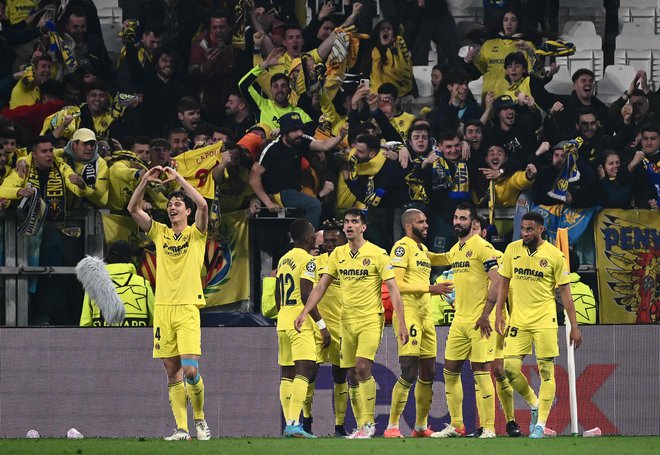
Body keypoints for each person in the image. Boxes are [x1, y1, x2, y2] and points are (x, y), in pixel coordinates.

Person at [294, 208, 409, 439]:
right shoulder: (338, 255)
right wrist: (305, 312)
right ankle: (360, 425)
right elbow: (321, 286)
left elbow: (394, 290)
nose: (349, 225)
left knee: (362, 368)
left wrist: (402, 322)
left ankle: (368, 424)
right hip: (346, 321)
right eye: (347, 221)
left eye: (354, 222)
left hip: (370, 319)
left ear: (363, 227)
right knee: (351, 375)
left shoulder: (378, 254)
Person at [127, 165, 211, 441]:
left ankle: (200, 420)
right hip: (163, 309)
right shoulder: (160, 232)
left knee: (190, 369)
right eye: (171, 203)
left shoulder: (196, 234)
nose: (173, 207)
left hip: (188, 307)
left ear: (186, 212)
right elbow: (132, 209)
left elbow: (202, 204)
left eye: (178, 204)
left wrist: (178, 179)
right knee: (172, 371)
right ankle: (182, 429)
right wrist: (144, 181)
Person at [495, 211, 582, 439]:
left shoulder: (555, 256)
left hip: (545, 320)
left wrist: (574, 326)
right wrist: (499, 314)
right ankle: (534, 403)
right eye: (523, 229)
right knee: (510, 369)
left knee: (546, 372)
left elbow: (565, 293)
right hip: (519, 321)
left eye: (529, 229)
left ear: (541, 230)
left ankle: (540, 425)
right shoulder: (512, 250)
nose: (525, 233)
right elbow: (503, 283)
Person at [429, 203, 502, 439]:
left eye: (463, 218)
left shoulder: (483, 247)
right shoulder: (456, 250)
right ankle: (457, 425)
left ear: (473, 222)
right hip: (460, 320)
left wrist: (485, 314)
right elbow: (440, 258)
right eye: (455, 217)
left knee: (481, 370)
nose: (457, 222)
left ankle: (488, 427)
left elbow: (498, 281)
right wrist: (417, 250)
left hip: (481, 320)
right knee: (450, 370)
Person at [383, 209, 453, 439]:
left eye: (426, 220)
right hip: (409, 314)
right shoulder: (401, 248)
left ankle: (420, 427)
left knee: (429, 371)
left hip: (426, 316)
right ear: (408, 226)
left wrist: (466, 249)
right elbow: (398, 285)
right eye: (421, 222)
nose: (426, 225)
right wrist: (430, 289)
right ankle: (392, 426)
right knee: (409, 369)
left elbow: (441, 258)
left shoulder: (422, 250)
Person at [275, 219, 328, 438]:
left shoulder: (284, 259)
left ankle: (290, 423)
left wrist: (283, 314)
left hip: (283, 319)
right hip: (300, 322)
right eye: (314, 233)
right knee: (304, 370)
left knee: (287, 373)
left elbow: (277, 294)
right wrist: (321, 325)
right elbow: (308, 295)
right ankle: (294, 423)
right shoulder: (308, 260)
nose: (316, 235)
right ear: (307, 238)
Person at [471, 216, 522, 438]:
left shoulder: (499, 257)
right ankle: (483, 425)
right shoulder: (465, 255)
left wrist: (504, 317)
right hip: (473, 320)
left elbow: (509, 292)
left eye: (475, 228)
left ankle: (510, 420)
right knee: (479, 371)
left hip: (494, 319)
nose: (470, 231)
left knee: (498, 369)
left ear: (483, 232)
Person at [249, 112, 344, 229]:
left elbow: (324, 145)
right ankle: (307, 241)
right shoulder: (272, 149)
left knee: (323, 206)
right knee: (314, 205)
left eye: (301, 129)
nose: (300, 133)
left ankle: (299, 238)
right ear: (284, 132)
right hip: (277, 193)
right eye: (294, 130)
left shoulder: (301, 141)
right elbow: (253, 178)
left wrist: (340, 137)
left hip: (295, 190)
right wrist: (268, 203)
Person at [303, 220, 349, 437]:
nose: (330, 244)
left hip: (343, 327)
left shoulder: (350, 262)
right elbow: (308, 294)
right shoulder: (315, 263)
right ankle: (306, 420)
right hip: (317, 327)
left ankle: (340, 425)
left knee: (340, 377)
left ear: (342, 240)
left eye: (334, 240)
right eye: (327, 241)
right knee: (310, 374)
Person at [79, 240, 155, 327]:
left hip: (101, 339)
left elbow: (85, 325)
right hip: (137, 339)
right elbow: (155, 321)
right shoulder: (144, 284)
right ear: (131, 260)